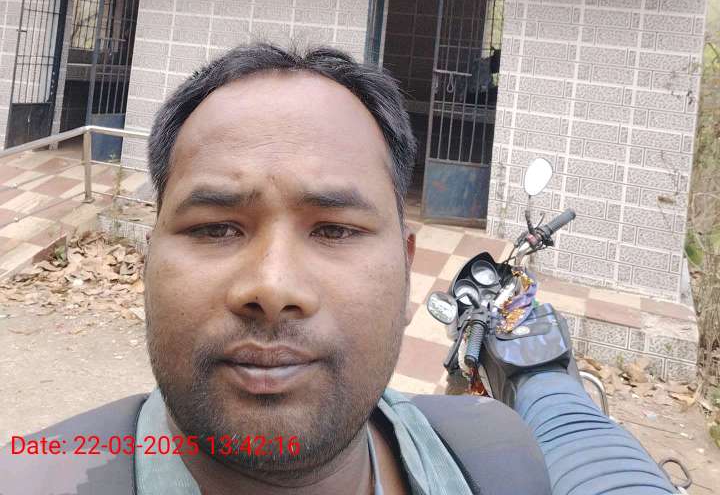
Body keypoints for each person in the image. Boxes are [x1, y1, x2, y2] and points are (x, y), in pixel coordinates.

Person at [0, 43, 549, 495]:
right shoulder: (28, 479)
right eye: (216, 228)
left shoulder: (495, 461)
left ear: (406, 272)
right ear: (149, 263)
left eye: (335, 230)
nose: (271, 286)